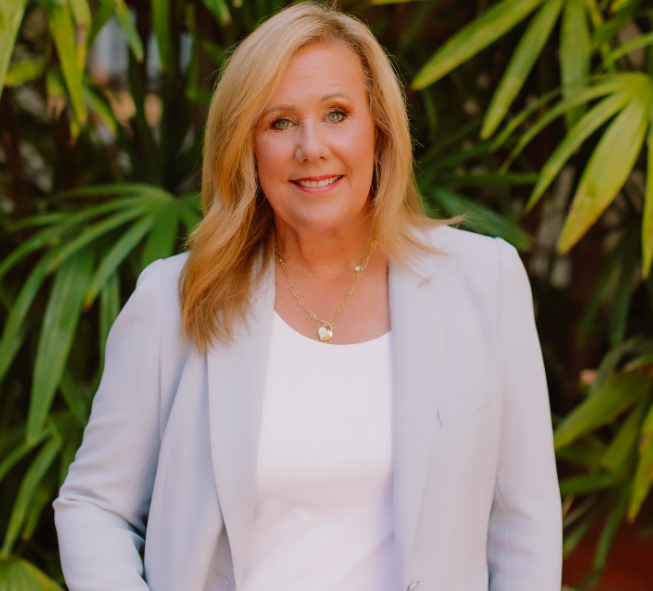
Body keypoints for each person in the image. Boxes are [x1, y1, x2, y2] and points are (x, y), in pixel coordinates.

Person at [52, 1, 563, 590]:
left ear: (380, 130)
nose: (311, 146)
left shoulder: (484, 280)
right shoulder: (175, 299)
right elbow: (94, 505)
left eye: (337, 113)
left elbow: (526, 525)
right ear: (245, 146)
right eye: (279, 122)